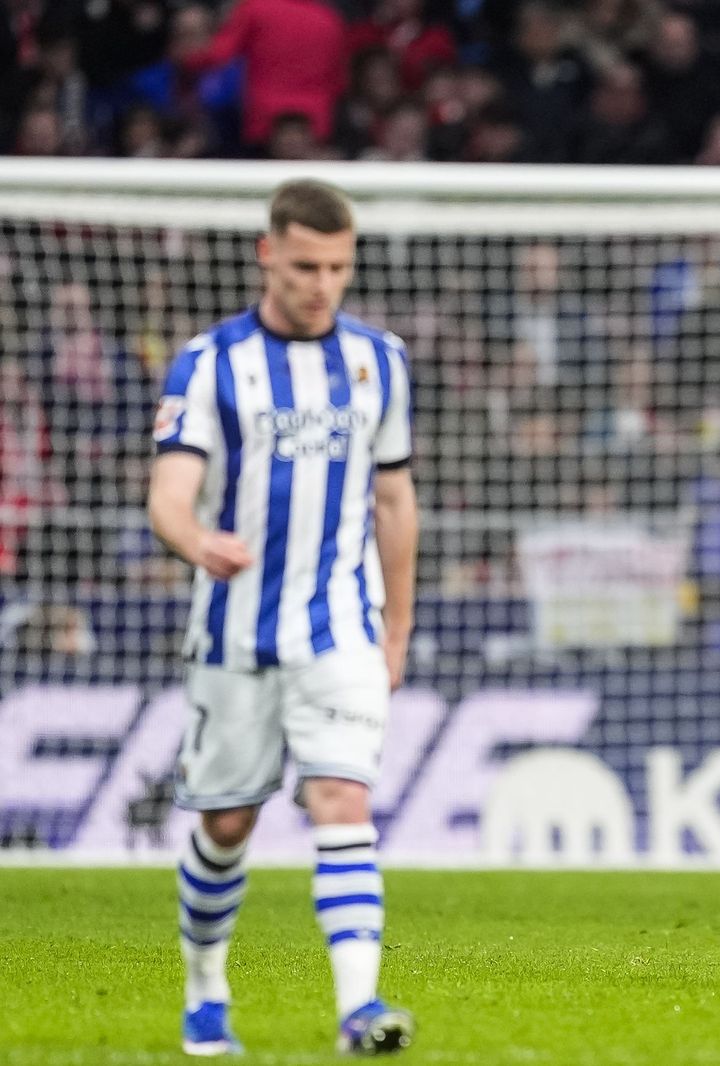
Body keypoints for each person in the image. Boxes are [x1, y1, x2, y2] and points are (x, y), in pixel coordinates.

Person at [147, 179, 418, 1055]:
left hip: (341, 625)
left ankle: (359, 1010)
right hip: (235, 633)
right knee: (227, 825)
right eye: (305, 266)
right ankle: (205, 989)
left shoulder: (380, 361)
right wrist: (198, 541)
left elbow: (395, 502)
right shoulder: (209, 363)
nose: (321, 285)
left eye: (337, 267)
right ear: (269, 256)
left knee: (342, 798)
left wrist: (397, 629)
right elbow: (169, 495)